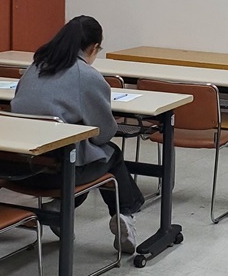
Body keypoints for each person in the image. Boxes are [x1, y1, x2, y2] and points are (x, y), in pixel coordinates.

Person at [11, 15, 145, 253]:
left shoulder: (36, 66)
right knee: (110, 154)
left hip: (18, 168)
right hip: (58, 172)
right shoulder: (87, 75)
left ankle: (61, 207)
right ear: (94, 48)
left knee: (82, 154)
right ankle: (125, 213)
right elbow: (103, 134)